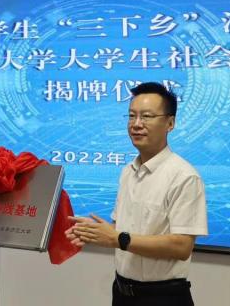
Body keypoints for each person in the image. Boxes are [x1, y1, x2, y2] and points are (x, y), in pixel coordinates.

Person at [67, 82, 207, 305]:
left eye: (147, 116)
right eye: (132, 116)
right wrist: (95, 232)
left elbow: (182, 246)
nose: (137, 124)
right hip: (121, 293)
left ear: (170, 123)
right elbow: (123, 230)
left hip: (162, 298)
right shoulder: (128, 171)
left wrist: (118, 238)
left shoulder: (184, 176)